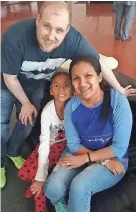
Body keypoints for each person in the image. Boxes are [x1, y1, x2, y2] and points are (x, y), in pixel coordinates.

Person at [1, 1, 135, 188]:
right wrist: (24, 102)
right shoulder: (15, 37)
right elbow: (10, 77)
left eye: (59, 30)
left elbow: (96, 62)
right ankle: (0, 164)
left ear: (67, 30)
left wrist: (119, 89)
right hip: (7, 83)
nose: (51, 36)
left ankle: (13, 152)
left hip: (35, 84)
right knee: (2, 125)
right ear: (38, 20)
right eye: (47, 26)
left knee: (27, 121)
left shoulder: (73, 40)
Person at [45, 55, 133, 212]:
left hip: (113, 158)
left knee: (79, 187)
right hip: (80, 151)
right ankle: (63, 205)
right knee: (52, 188)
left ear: (99, 77)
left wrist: (91, 160)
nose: (82, 83)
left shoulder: (118, 101)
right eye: (76, 78)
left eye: (88, 76)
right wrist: (91, 159)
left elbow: (119, 148)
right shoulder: (71, 107)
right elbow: (73, 145)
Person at [18, 71, 72, 212]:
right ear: (51, 91)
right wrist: (41, 178)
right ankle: (40, 206)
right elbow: (44, 141)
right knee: (38, 175)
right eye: (56, 85)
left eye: (66, 86)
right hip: (49, 146)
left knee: (46, 175)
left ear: (72, 90)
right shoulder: (48, 112)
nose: (61, 89)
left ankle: (35, 189)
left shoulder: (74, 106)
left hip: (67, 147)